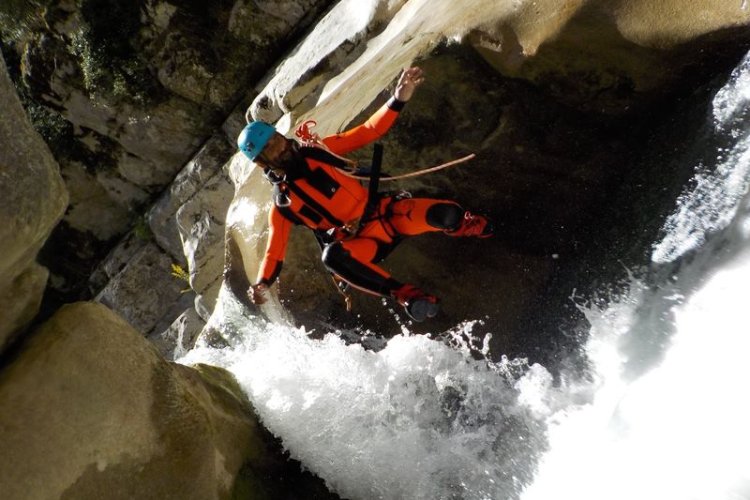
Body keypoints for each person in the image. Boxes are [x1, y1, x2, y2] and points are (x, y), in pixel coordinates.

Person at [236, 67, 492, 322]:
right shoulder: (284, 203)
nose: (280, 147)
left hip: (388, 215)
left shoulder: (321, 150)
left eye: (276, 139)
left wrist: (398, 98)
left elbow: (369, 130)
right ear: (262, 162)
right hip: (362, 242)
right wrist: (262, 284)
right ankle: (406, 295)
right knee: (332, 258)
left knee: (446, 214)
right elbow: (274, 252)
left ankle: (470, 226)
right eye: (270, 149)